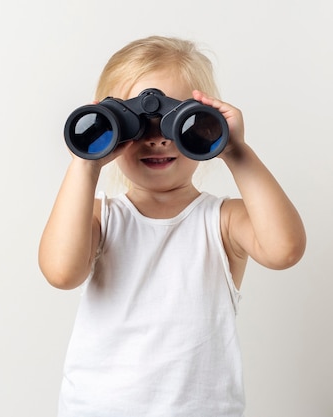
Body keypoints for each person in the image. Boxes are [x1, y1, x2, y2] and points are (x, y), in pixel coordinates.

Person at [38, 36, 306, 417]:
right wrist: (86, 161)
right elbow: (61, 272)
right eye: (133, 126)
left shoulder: (223, 221)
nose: (157, 138)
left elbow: (285, 250)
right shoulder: (100, 218)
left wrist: (235, 149)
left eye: (174, 122)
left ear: (206, 124)